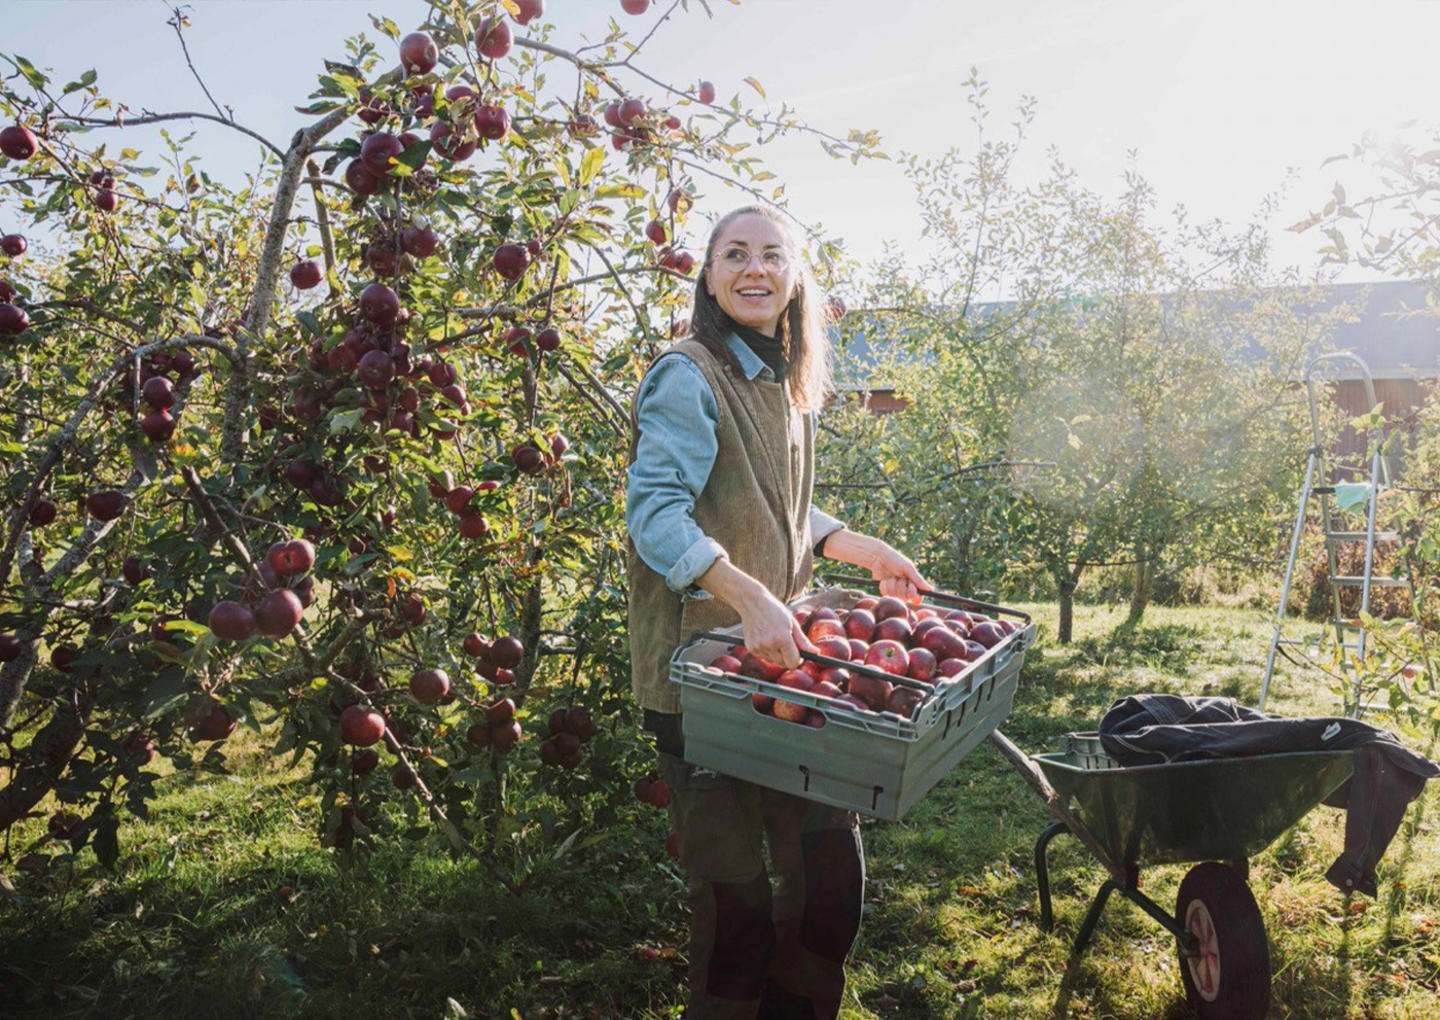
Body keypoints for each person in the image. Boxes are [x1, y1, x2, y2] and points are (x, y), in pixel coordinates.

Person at [626, 204, 927, 1019]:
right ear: (710, 275)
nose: (754, 269)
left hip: (788, 662)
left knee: (831, 890)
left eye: (771, 255)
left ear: (794, 277)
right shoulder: (689, 374)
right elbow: (656, 515)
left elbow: (767, 507)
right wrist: (750, 594)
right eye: (735, 254)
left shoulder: (783, 385)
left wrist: (856, 546)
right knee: (739, 919)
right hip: (704, 674)